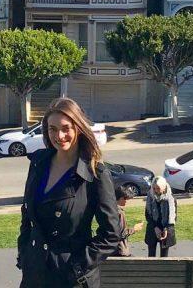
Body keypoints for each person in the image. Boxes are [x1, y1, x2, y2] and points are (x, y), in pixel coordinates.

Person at [17, 98, 121, 288]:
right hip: (35, 274)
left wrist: (77, 267)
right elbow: (27, 215)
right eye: (53, 129)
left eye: (66, 128)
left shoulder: (94, 173)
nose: (60, 135)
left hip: (71, 279)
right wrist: (24, 254)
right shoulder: (39, 163)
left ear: (79, 128)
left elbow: (111, 234)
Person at [144, 176, 177, 257]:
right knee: (151, 255)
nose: (155, 191)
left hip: (166, 229)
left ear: (164, 187)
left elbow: (173, 217)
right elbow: (148, 215)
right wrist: (155, 227)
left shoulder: (171, 199)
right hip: (153, 227)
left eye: (158, 188)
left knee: (164, 257)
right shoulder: (150, 197)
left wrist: (166, 229)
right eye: (154, 188)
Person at [113, 186, 144, 257]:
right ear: (121, 198)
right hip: (120, 250)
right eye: (126, 199)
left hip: (112, 249)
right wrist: (135, 229)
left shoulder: (110, 209)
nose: (127, 201)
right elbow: (122, 234)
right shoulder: (119, 212)